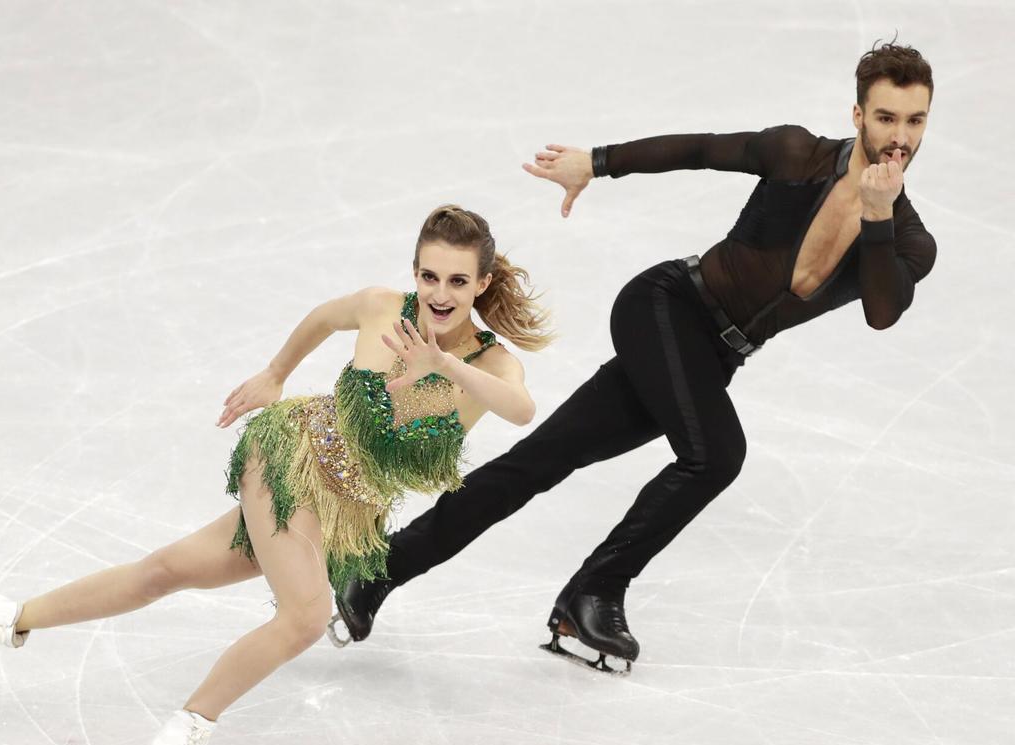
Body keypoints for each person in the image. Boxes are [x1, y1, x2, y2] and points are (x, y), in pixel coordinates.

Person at [0, 204, 552, 745]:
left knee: (165, 570)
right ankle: (177, 744)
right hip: (287, 458)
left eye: (458, 280)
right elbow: (326, 318)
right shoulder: (384, 307)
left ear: (482, 282)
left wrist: (440, 365)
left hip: (336, 511)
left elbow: (519, 408)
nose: (440, 292)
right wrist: (275, 373)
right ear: (415, 270)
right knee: (304, 616)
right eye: (429, 274)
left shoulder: (490, 364)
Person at [329, 39, 938, 676]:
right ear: (858, 115)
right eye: (886, 118)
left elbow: (883, 308)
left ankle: (375, 573)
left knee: (540, 461)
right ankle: (596, 590)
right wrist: (595, 162)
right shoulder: (796, 155)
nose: (899, 137)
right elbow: (700, 149)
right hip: (667, 307)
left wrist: (877, 217)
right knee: (716, 455)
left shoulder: (911, 240)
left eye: (914, 121)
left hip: (714, 357)